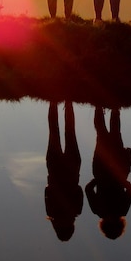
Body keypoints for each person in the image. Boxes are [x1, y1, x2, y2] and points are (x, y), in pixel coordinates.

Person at [85, 107, 131, 239]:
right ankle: (100, 105)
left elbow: (130, 190)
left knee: (112, 133)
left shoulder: (120, 210)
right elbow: (88, 189)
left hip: (115, 168)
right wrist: (99, 178)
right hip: (103, 169)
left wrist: (119, 178)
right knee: (103, 133)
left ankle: (113, 105)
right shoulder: (99, 210)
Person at [44, 101, 83, 241]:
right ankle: (52, 101)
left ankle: (68, 100)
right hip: (54, 169)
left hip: (72, 170)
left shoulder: (76, 211)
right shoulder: (51, 212)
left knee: (70, 131)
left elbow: (79, 190)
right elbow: (47, 190)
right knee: (53, 131)